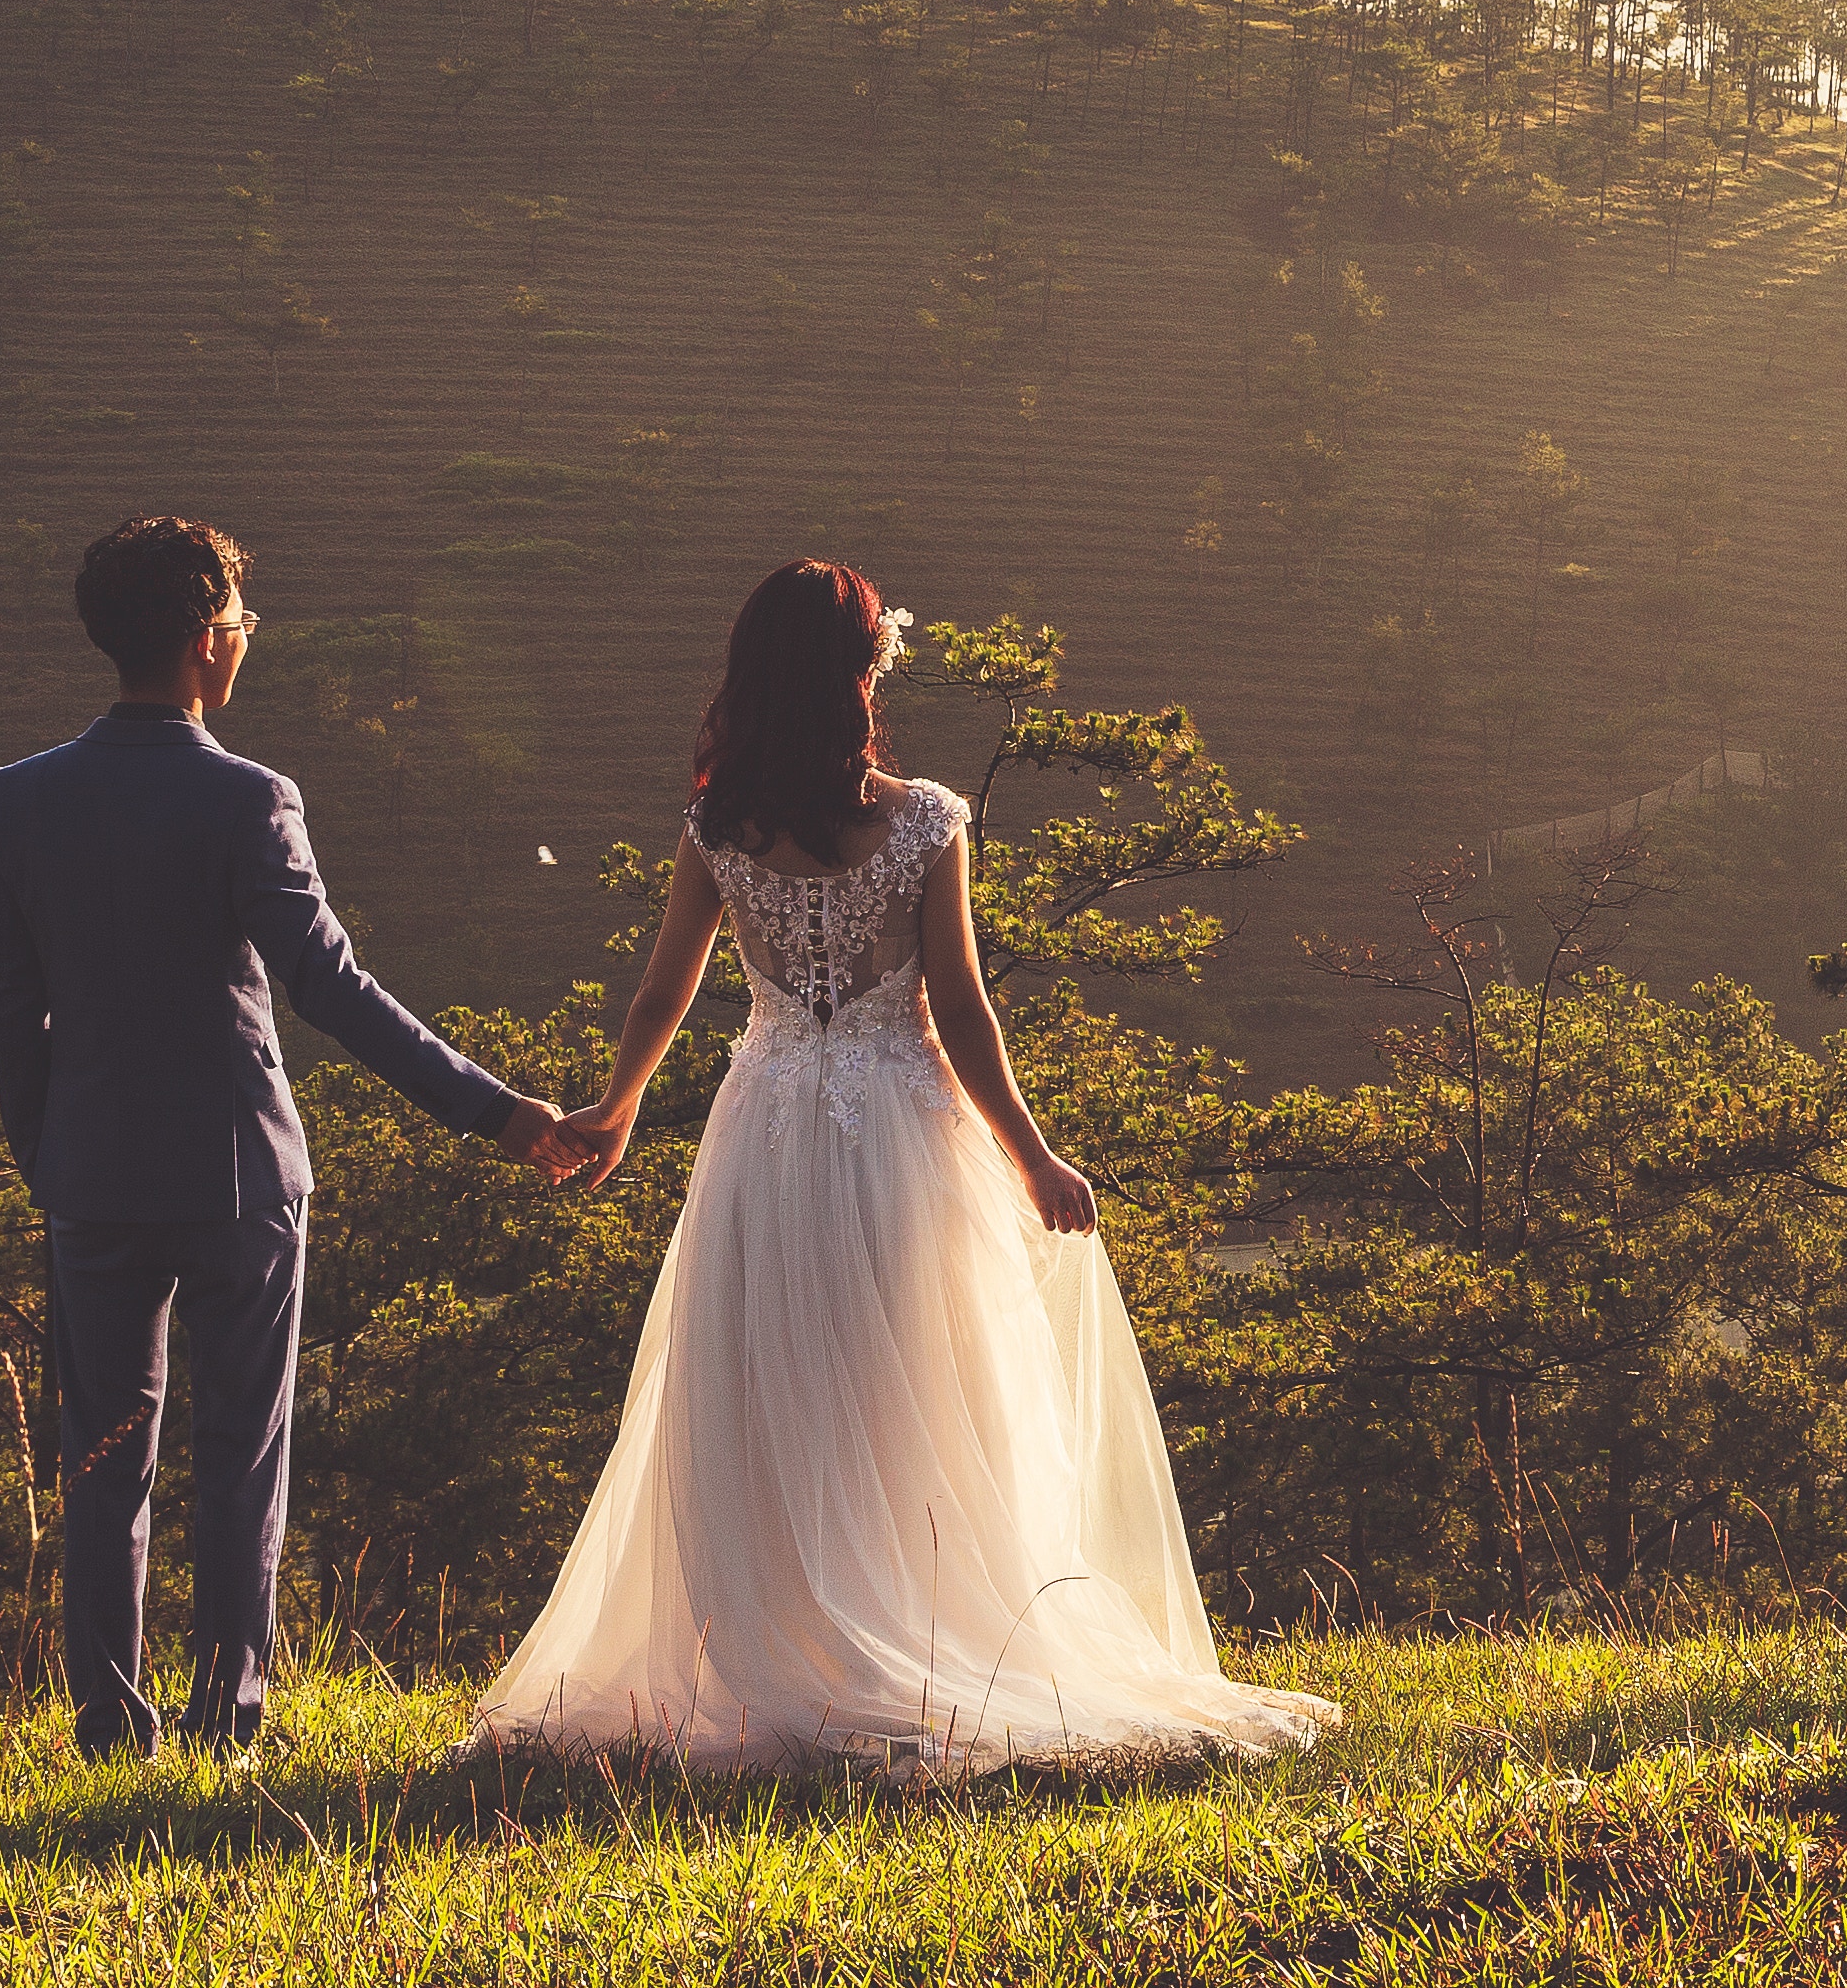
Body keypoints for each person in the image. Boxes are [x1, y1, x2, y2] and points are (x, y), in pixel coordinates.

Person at [472, 559, 1335, 1773]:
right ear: (862, 675)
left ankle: (792, 1642)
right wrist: (1030, 1157)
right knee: (919, 1385)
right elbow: (960, 1011)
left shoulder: (720, 830)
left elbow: (664, 988)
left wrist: (617, 1109)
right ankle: (919, 1629)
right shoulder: (925, 818)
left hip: (764, 1128)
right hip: (900, 1131)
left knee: (776, 1388)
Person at [0, 514, 583, 1763]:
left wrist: (48, 1155)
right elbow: (330, 987)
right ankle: (225, 1723)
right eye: (245, 623)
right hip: (237, 1175)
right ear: (210, 641)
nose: (248, 642)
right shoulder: (248, 796)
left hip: (91, 1175)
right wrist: (497, 1109)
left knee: (103, 1456)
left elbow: (12, 1008)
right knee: (240, 1456)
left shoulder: (23, 797)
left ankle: (108, 1724)